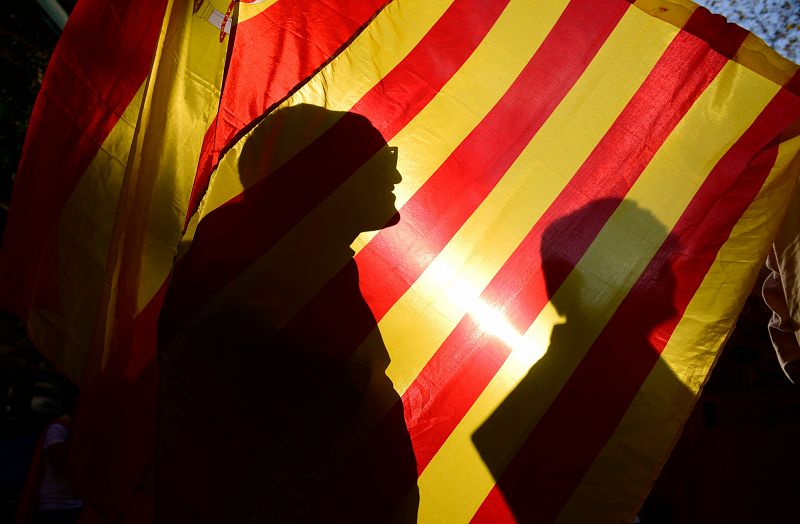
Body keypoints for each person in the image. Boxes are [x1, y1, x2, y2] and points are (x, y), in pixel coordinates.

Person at [156, 105, 418, 523]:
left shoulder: (306, 272)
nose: (396, 177)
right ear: (327, 173)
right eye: (381, 160)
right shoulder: (262, 286)